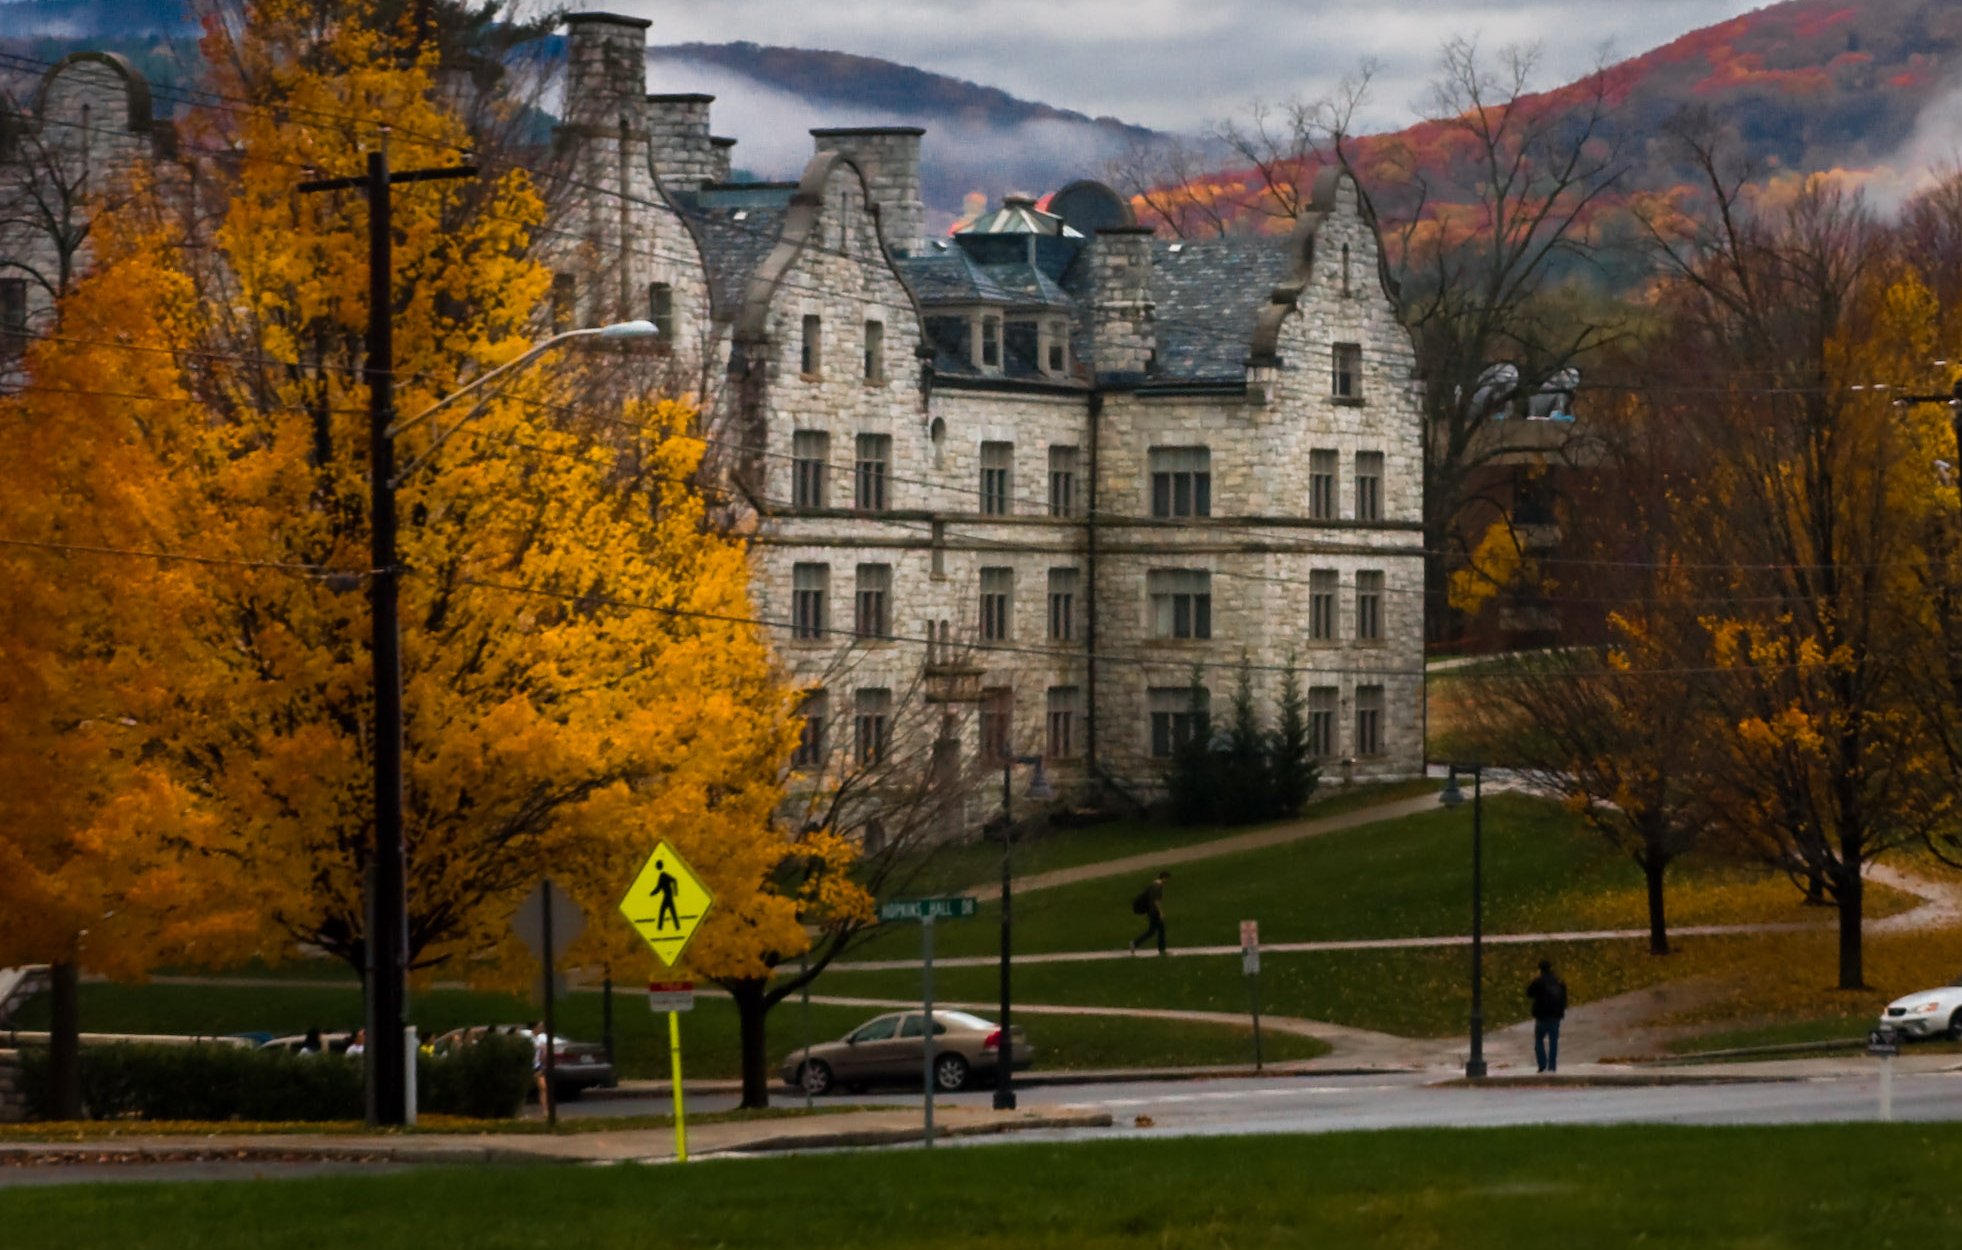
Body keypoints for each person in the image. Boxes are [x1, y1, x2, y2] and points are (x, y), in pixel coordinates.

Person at [1525, 959, 1568, 1073]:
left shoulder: (1538, 981)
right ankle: (1552, 1066)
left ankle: (1542, 1064)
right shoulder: (1558, 981)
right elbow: (1564, 997)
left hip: (1542, 1015)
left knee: (1539, 1040)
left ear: (1540, 969)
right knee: (1553, 1042)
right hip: (1555, 1016)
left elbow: (1528, 993)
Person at [1129, 870, 1172, 957]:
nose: (1167, 881)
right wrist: (1161, 912)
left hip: (1151, 912)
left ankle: (1135, 943)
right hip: (1154, 912)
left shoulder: (1153, 885)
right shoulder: (1157, 886)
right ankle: (1162, 950)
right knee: (1161, 930)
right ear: (1164, 878)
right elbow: (1156, 901)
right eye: (1167, 879)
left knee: (1151, 932)